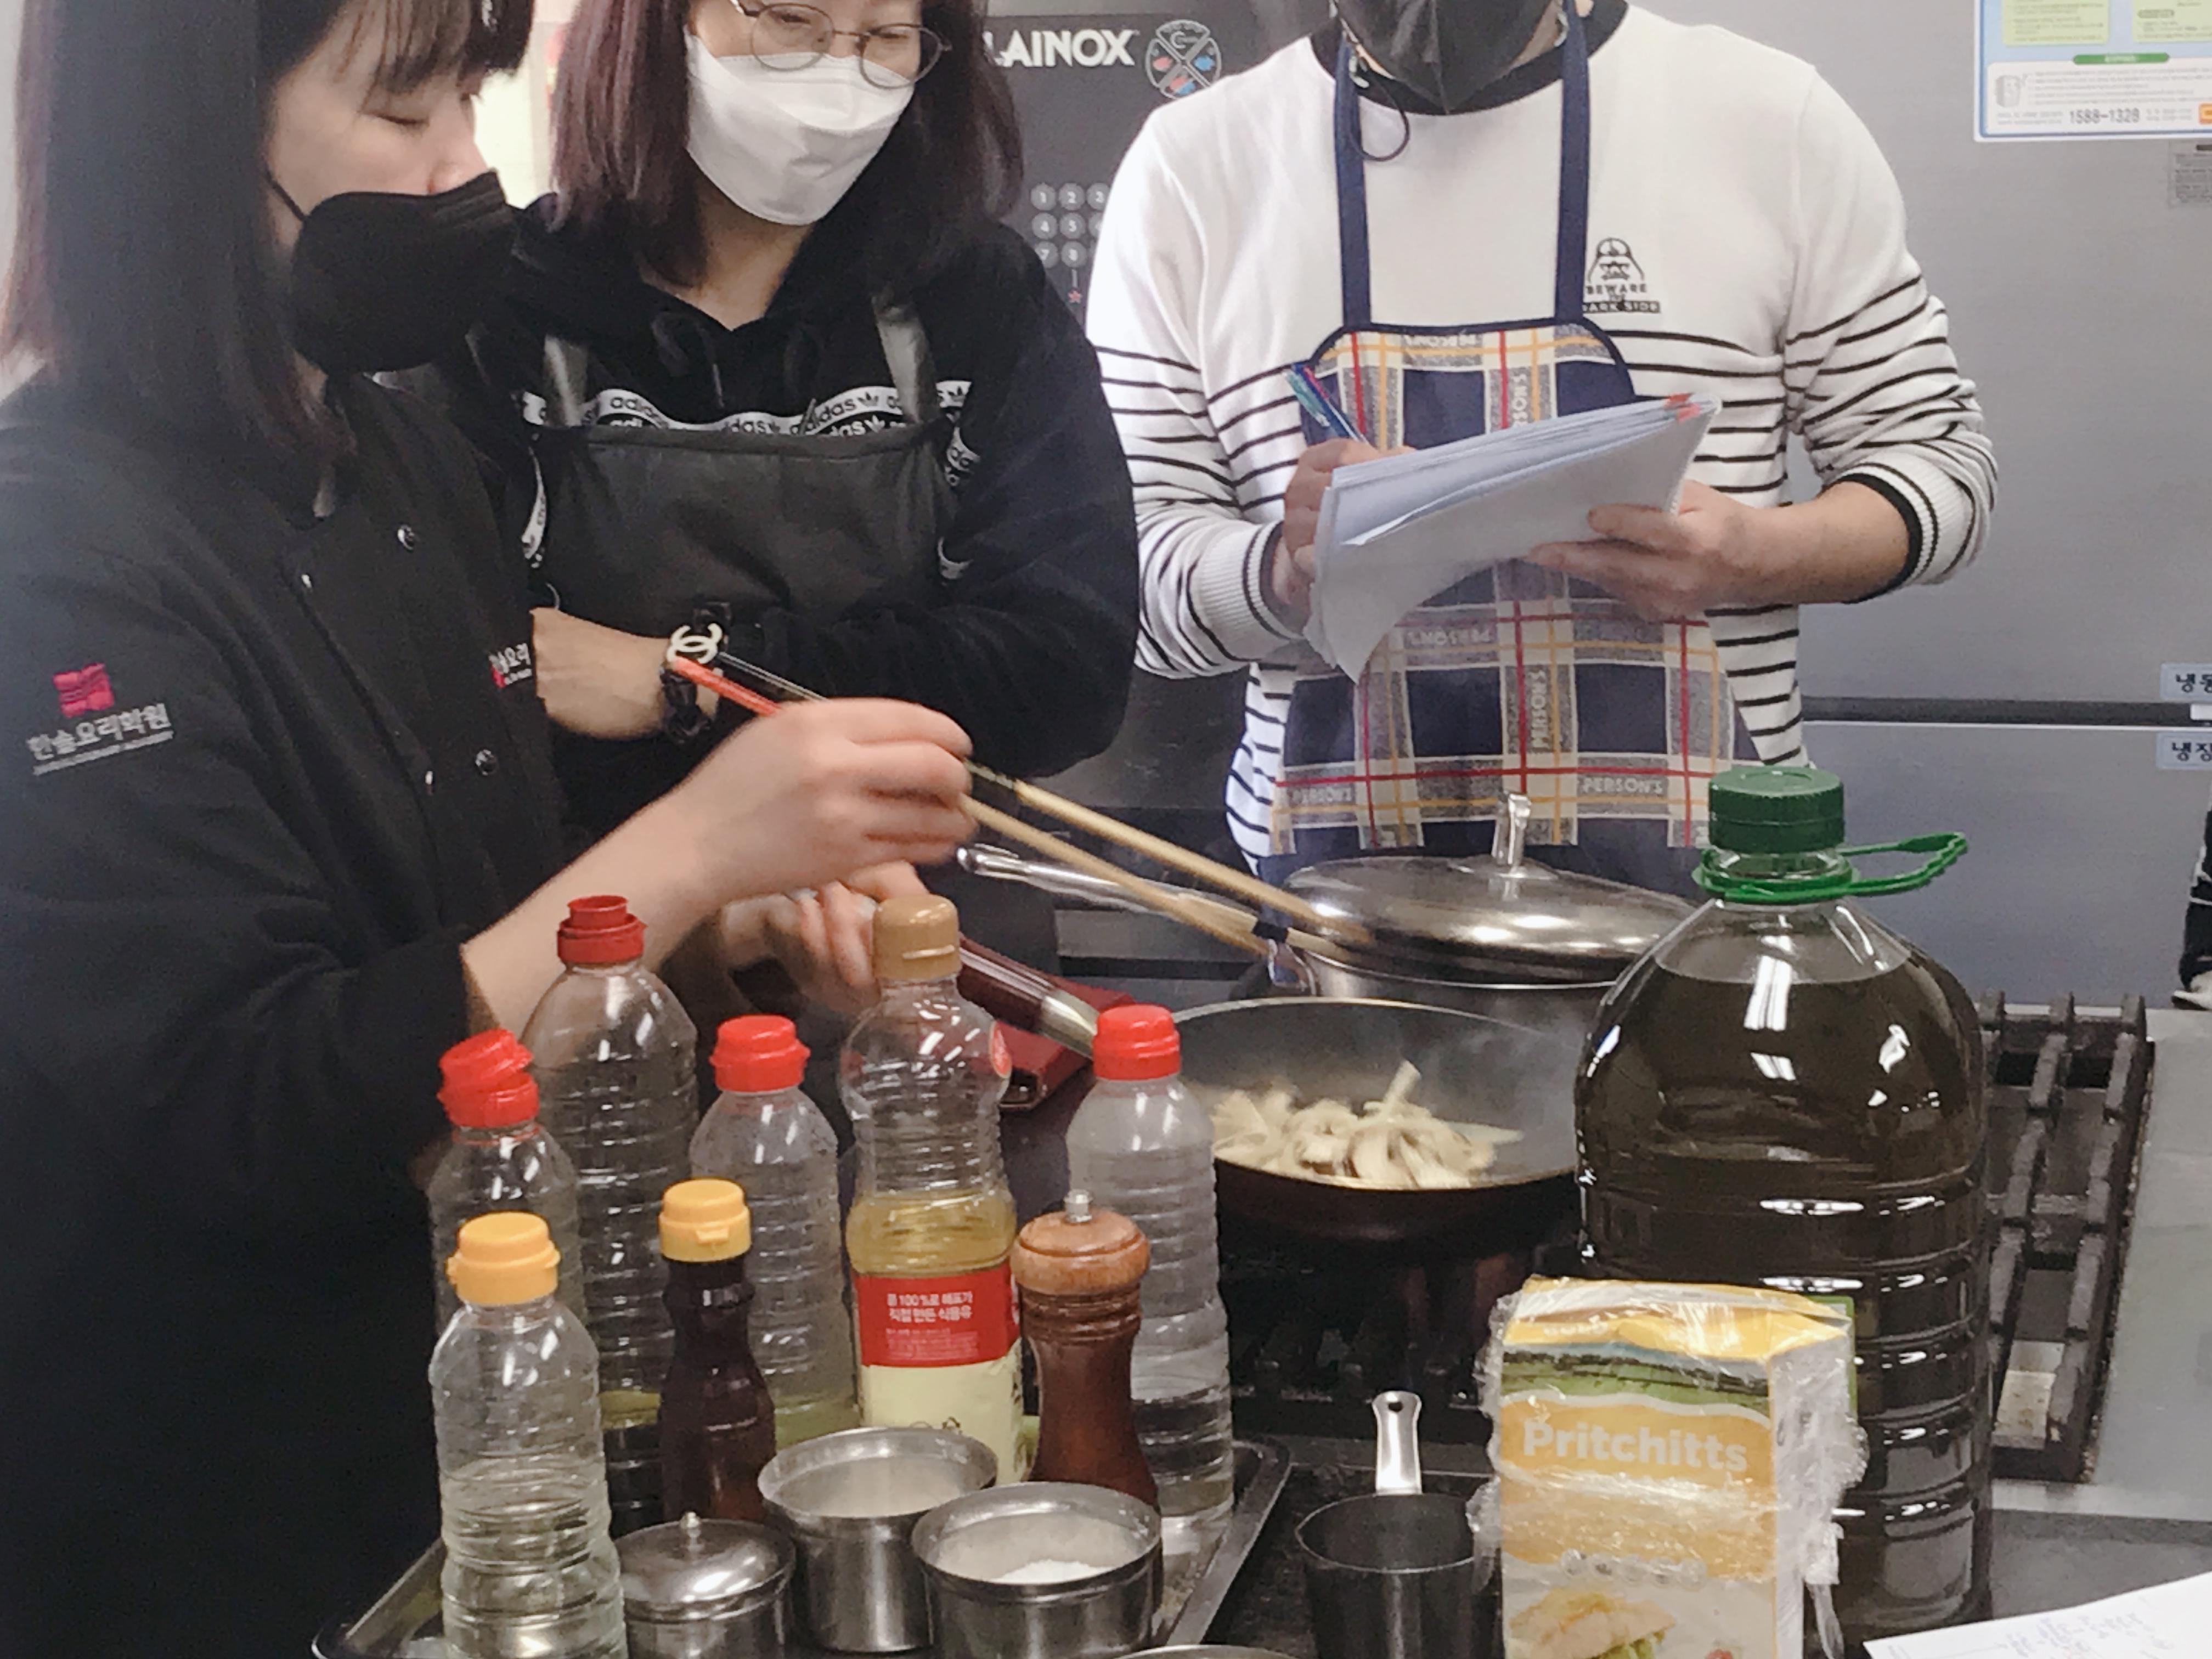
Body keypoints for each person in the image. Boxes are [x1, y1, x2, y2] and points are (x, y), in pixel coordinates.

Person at [0, 1, 976, 1652]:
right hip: (210, 1500)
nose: (468, 167)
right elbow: (249, 1101)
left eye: (472, 94)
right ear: (182, 143)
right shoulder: (55, 549)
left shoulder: (397, 453)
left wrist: (733, 925)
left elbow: (496, 934)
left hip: (491, 1441)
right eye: (406, 110)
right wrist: (692, 843)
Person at [1087, 0, 1998, 893]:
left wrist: (1749, 555)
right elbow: (1127, 594)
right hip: (1343, 939)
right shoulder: (1195, 168)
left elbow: (1943, 472)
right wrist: (1285, 572)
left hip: (1705, 928)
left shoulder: (1766, 121)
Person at [416, 0, 1141, 847]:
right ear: (655, 27)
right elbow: (458, 677)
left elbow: (1063, 673)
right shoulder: (495, 309)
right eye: (792, 22)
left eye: (886, 39)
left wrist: (689, 675)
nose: (838, 81)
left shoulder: (975, 296)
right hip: (583, 896)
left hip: (914, 888)